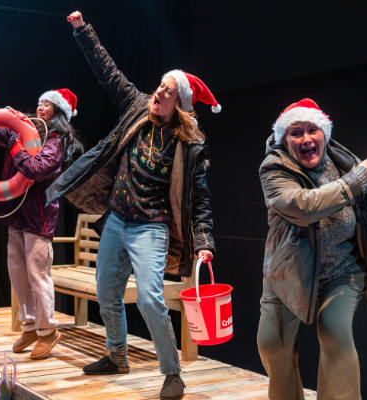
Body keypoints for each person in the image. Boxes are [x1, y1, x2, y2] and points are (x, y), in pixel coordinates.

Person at [44, 11, 220, 400]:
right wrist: (83, 31)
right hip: (116, 221)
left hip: (151, 228)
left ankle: (172, 374)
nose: (158, 93)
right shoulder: (137, 106)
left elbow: (201, 200)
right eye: (159, 87)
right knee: (106, 292)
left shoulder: (189, 147)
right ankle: (117, 354)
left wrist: (204, 239)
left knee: (150, 297)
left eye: (168, 92)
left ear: (180, 104)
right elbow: (109, 71)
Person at [257, 98, 367, 399]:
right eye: (296, 132)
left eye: (312, 130)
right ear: (284, 139)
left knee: (335, 332)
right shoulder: (273, 169)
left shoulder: (345, 166)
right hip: (288, 273)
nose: (306, 139)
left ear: (324, 134)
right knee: (272, 344)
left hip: (342, 271)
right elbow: (302, 206)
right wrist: (357, 180)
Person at [0, 86, 83, 359]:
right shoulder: (26, 131)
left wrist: (16, 146)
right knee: (17, 272)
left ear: (58, 111)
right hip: (16, 214)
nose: (40, 108)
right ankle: (30, 324)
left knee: (37, 274)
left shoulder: (56, 139)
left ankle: (48, 331)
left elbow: (37, 168)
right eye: (40, 102)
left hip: (39, 216)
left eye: (47, 104)